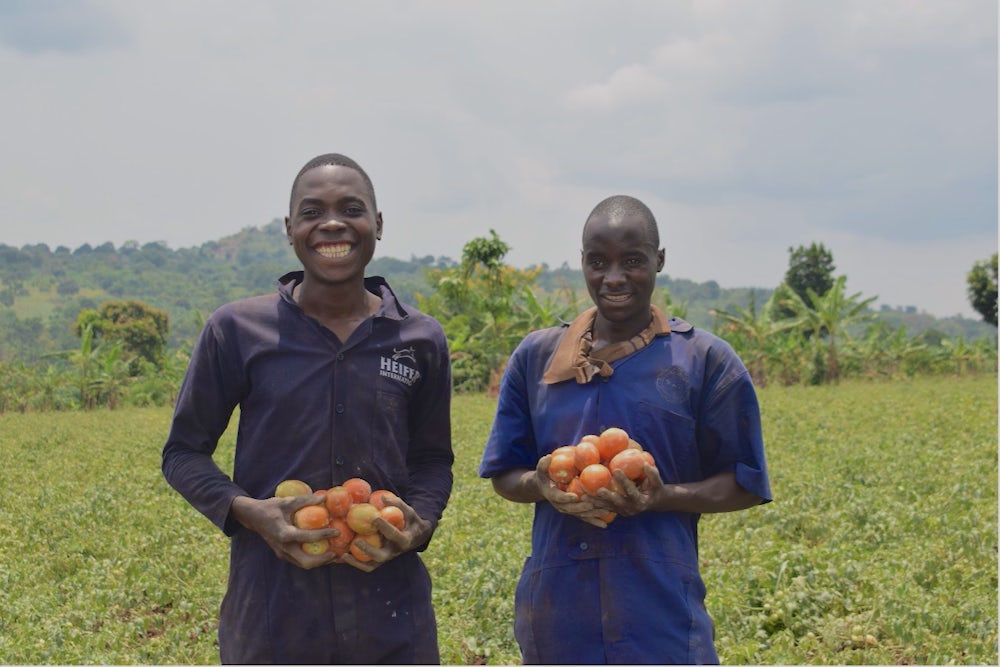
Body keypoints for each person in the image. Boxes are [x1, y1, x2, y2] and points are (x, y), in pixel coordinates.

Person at [162, 153, 454, 664]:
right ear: (290, 228)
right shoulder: (236, 331)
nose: (333, 224)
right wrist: (250, 513)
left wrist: (419, 525)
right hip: (273, 621)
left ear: (378, 225)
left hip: (391, 621)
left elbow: (432, 461)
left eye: (351, 208)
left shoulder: (420, 338)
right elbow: (183, 453)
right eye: (313, 211)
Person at [479, 194, 772, 664]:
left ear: (659, 260)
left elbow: (744, 484)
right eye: (598, 262)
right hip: (558, 611)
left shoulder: (705, 361)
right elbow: (504, 475)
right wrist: (541, 483)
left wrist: (664, 497)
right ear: (582, 263)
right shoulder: (536, 358)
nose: (613, 278)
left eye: (632, 261)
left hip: (660, 612)